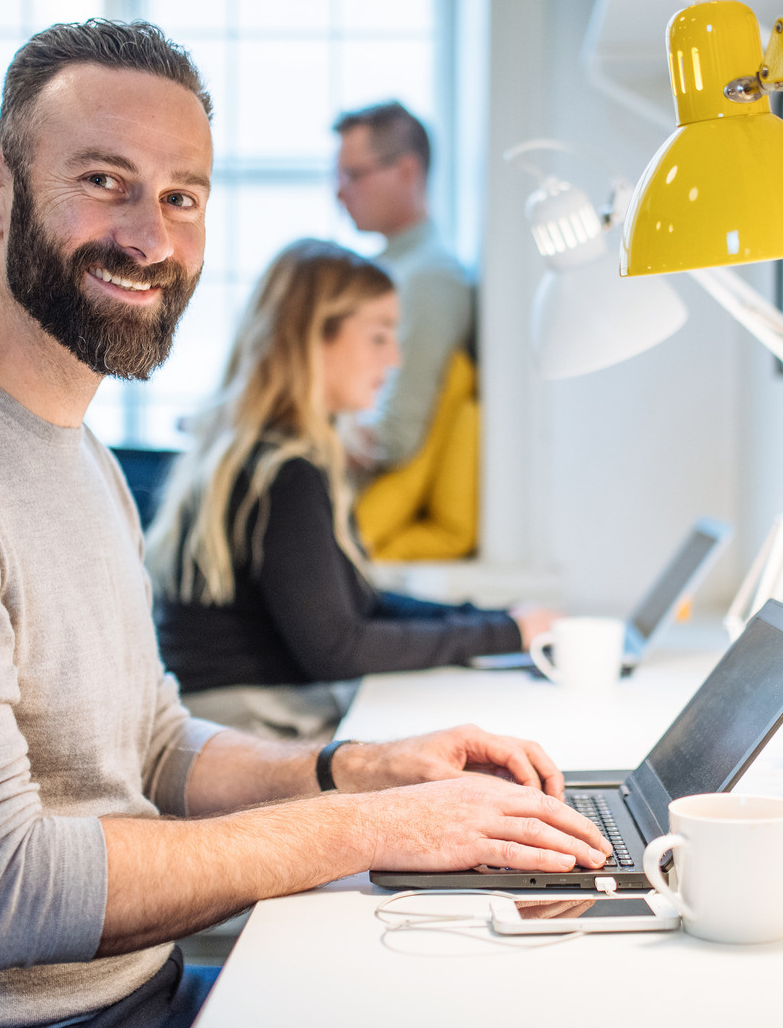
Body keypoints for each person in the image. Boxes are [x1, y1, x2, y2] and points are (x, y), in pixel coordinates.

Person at [0, 20, 607, 1028]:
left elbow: (152, 750)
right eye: (103, 181)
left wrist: (361, 770)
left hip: (133, 997)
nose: (149, 239)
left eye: (180, 198)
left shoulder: (80, 454)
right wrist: (373, 827)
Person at [146, 239, 558, 742]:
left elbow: (358, 603)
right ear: (313, 338)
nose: (395, 358)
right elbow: (337, 647)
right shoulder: (283, 472)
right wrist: (505, 633)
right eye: (379, 336)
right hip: (250, 730)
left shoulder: (262, 453)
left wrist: (500, 623)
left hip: (238, 719)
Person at [332, 101, 473, 474]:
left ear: (407, 171)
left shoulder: (428, 279)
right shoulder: (391, 269)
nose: (339, 193)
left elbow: (392, 436)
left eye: (352, 175)